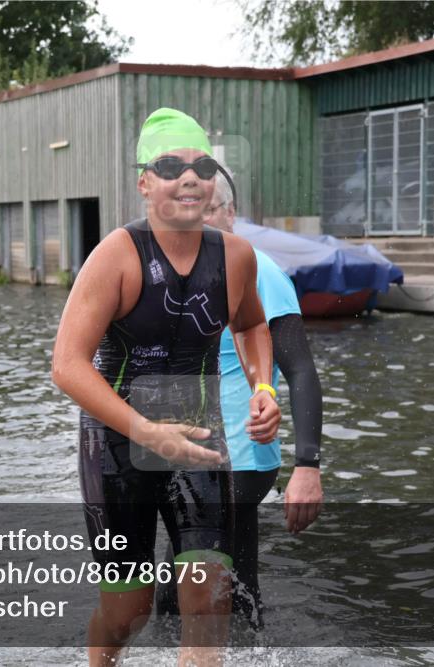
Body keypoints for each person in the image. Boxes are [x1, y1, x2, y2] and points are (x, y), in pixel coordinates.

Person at [52, 107, 280, 667]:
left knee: (209, 597)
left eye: (202, 165)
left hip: (199, 441)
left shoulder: (235, 258)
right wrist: (147, 431)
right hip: (117, 443)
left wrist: (264, 390)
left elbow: (250, 326)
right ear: (144, 182)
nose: (190, 176)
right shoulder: (116, 256)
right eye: (170, 165)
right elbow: (67, 364)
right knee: (129, 610)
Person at [156, 169, 324, 630]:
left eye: (209, 209)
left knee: (183, 592)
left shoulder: (260, 272)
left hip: (242, 456)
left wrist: (307, 465)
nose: (200, 221)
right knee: (232, 583)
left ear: (230, 213)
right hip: (197, 453)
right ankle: (252, 651)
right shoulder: (188, 272)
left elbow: (302, 370)